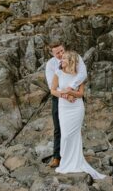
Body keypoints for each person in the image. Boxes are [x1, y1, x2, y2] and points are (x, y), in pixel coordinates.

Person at [50, 51, 106, 179]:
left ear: (71, 61)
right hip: (64, 107)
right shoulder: (58, 73)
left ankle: (75, 162)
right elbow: (52, 90)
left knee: (74, 135)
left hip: (77, 108)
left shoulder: (78, 76)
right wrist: (64, 95)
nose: (61, 60)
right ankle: (65, 162)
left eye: (64, 58)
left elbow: (81, 94)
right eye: (61, 58)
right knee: (65, 135)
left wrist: (71, 93)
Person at [45, 41, 87, 167]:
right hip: (59, 98)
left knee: (74, 129)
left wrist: (71, 90)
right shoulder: (50, 65)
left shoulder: (75, 57)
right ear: (52, 53)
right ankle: (57, 157)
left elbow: (82, 75)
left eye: (62, 51)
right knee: (58, 128)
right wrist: (65, 95)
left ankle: (75, 157)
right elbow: (51, 86)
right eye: (57, 53)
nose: (60, 54)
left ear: (64, 48)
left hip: (75, 97)